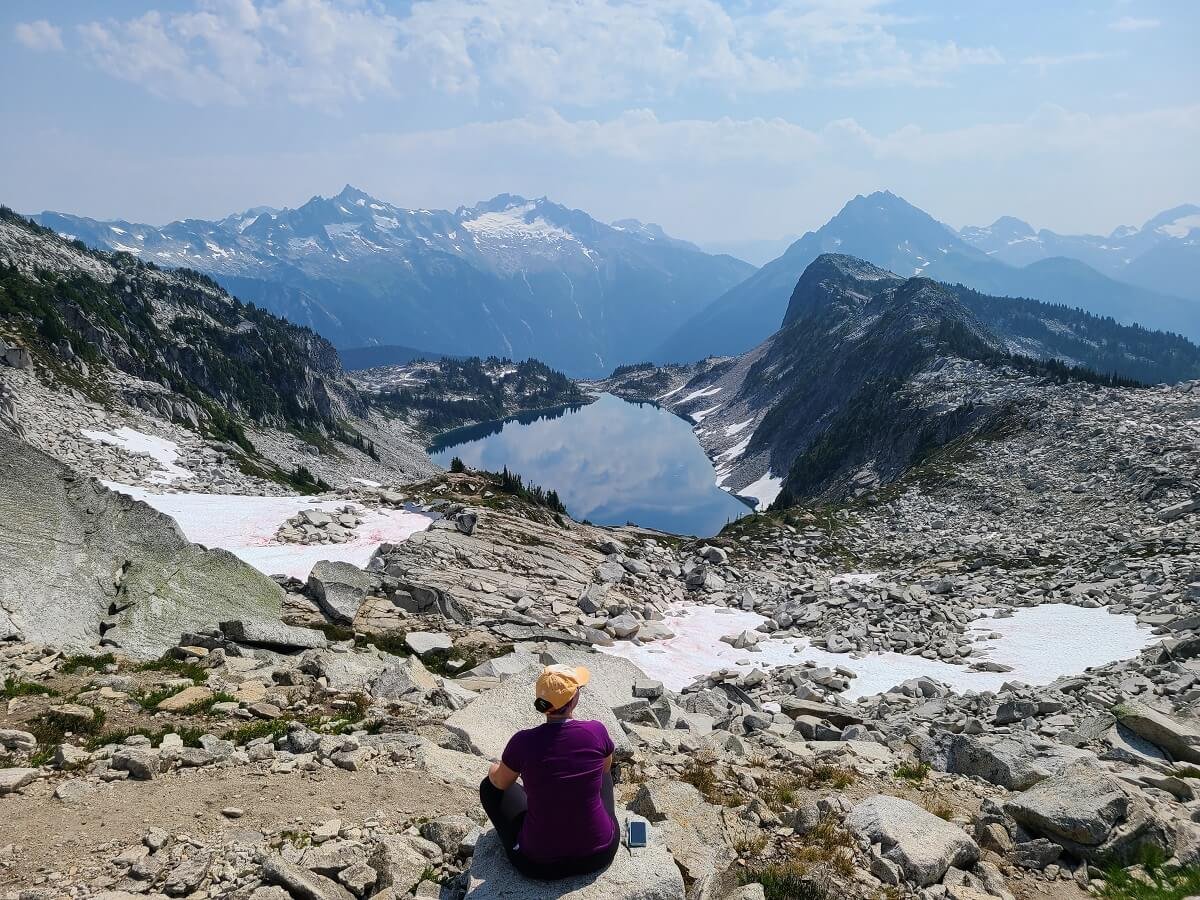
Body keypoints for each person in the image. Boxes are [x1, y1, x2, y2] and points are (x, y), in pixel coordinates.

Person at [479, 664, 620, 880]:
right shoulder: (595, 731)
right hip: (600, 853)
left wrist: (493, 769)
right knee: (603, 774)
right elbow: (605, 768)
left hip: (538, 865)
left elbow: (499, 783)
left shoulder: (523, 741)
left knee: (489, 788)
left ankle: (527, 839)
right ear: (574, 699)